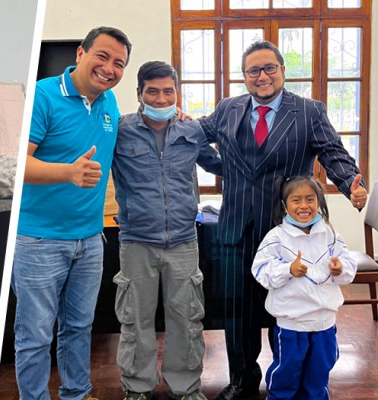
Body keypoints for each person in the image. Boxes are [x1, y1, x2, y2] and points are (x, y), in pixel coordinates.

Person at [198, 40, 367, 400]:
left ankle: (287, 381)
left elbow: (333, 153)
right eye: (253, 71)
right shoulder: (228, 109)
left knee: (290, 313)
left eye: (269, 68)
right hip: (235, 229)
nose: (262, 76)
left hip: (289, 232)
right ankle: (242, 381)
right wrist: (221, 166)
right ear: (244, 77)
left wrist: (352, 183)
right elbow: (194, 138)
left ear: (282, 70)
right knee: (237, 315)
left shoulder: (308, 111)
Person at [11, 26, 132, 400]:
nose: (109, 68)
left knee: (79, 326)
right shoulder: (43, 97)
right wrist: (67, 171)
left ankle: (76, 394)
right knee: (34, 334)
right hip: (38, 240)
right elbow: (14, 166)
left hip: (89, 239)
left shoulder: (109, 103)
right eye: (103, 56)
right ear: (81, 53)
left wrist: (174, 115)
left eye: (119, 63)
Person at [111, 61, 222, 400]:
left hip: (183, 242)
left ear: (177, 93)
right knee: (135, 321)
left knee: (187, 319)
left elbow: (220, 164)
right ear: (139, 94)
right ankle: (137, 388)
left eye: (168, 91)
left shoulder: (191, 131)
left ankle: (186, 389)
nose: (161, 99)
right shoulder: (119, 130)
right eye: (153, 92)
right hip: (136, 242)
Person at [252, 176, 356, 400]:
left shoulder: (330, 235)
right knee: (287, 371)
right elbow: (260, 270)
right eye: (296, 200)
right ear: (284, 205)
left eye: (310, 199)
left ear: (318, 202)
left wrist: (340, 268)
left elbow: (348, 264)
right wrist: (288, 269)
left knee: (320, 369)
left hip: (324, 322)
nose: (304, 206)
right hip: (292, 324)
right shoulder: (276, 237)